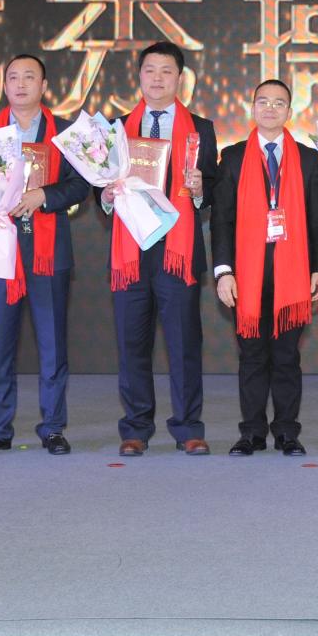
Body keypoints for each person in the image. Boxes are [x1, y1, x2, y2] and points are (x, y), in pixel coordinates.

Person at [0, 53, 89, 457]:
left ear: (44, 86)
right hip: (1, 250)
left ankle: (52, 428)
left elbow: (81, 186)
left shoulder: (65, 133)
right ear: (4, 86)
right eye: (13, 78)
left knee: (52, 344)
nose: (20, 84)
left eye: (29, 77)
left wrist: (45, 196)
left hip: (48, 253)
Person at [102, 42, 219, 456]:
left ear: (179, 78)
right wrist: (106, 195)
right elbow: (101, 186)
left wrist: (201, 189)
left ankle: (188, 428)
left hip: (177, 252)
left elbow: (214, 187)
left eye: (166, 71)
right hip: (131, 252)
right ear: (139, 76)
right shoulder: (117, 129)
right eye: (150, 70)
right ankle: (135, 428)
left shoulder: (201, 129)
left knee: (184, 345)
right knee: (132, 344)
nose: (157, 78)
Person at [210, 79, 318, 457]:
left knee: (286, 357)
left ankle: (287, 432)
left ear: (289, 112)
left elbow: (317, 220)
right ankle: (251, 433)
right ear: (252, 108)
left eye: (279, 103)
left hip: (293, 274)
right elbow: (221, 220)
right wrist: (223, 272)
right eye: (263, 101)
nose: (270, 108)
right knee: (252, 357)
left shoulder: (307, 158)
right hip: (246, 276)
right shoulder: (232, 157)